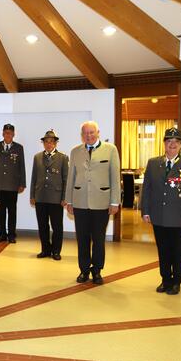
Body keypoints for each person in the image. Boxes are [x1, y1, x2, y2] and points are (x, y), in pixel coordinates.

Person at [140, 128, 181, 295]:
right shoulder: (153, 163)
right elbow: (147, 189)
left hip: (180, 218)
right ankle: (165, 280)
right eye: (169, 141)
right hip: (158, 216)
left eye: (176, 141)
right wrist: (145, 210)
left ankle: (176, 282)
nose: (172, 144)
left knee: (177, 250)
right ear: (164, 144)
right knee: (163, 249)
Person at [65, 121, 120, 285]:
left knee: (98, 239)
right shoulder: (75, 151)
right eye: (85, 133)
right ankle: (83, 270)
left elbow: (115, 177)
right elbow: (71, 177)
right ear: (82, 135)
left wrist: (115, 202)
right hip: (80, 201)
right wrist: (69, 200)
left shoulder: (110, 150)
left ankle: (97, 271)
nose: (88, 136)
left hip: (101, 202)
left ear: (98, 133)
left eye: (91, 132)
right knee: (82, 239)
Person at [30, 130, 68, 260]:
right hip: (40, 196)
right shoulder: (37, 157)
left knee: (57, 226)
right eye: (46, 142)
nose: (49, 144)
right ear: (43, 143)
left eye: (51, 142)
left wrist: (64, 198)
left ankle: (56, 251)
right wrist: (32, 195)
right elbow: (34, 177)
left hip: (56, 198)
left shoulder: (63, 158)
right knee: (42, 225)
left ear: (55, 143)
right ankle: (45, 249)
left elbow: (65, 179)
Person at [0, 124, 26, 244]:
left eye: (10, 133)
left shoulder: (18, 148)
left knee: (12, 212)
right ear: (2, 133)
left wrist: (22, 183)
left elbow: (21, 166)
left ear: (13, 134)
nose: (8, 135)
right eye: (6, 132)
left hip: (13, 185)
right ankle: (2, 234)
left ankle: (12, 235)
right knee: (1, 211)